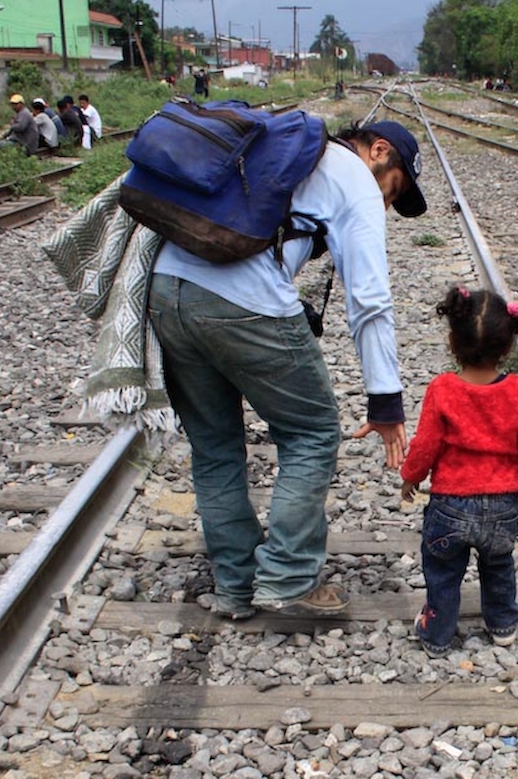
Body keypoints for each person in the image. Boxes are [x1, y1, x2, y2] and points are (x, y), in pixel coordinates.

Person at [147, 120, 427, 620]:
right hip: (244, 301)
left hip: (167, 289)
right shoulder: (355, 177)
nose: (386, 203)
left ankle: (235, 584)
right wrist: (385, 400)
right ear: (378, 151)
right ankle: (288, 578)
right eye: (395, 188)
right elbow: (369, 301)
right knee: (313, 432)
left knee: (214, 446)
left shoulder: (280, 151)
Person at [400, 287, 518, 657]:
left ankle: (438, 633)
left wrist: (411, 476)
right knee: (498, 564)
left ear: (452, 340)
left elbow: (425, 445)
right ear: (508, 348)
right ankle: (503, 624)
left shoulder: (442, 389)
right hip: (502, 506)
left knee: (443, 571)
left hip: (450, 505)